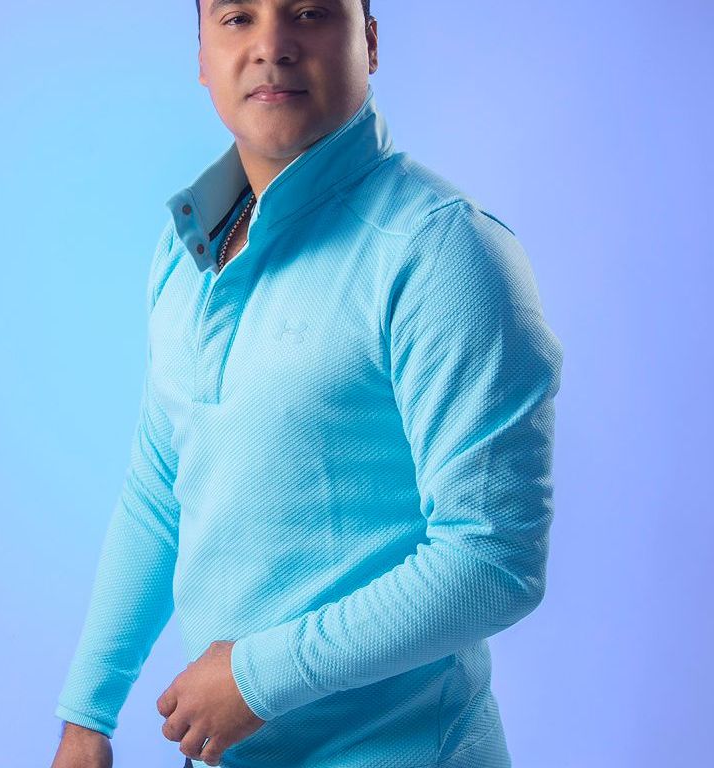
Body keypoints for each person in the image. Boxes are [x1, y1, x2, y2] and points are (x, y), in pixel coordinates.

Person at [51, 0, 564, 765]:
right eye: (238, 17)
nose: (272, 45)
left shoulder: (443, 253)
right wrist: (87, 716)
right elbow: (161, 490)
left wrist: (257, 678)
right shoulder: (188, 242)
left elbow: (492, 560)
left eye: (309, 12)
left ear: (370, 42)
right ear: (201, 55)